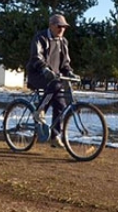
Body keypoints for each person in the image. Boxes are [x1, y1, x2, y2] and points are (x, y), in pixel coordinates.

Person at [25, 14, 77, 148]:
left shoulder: (63, 42)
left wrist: (69, 72)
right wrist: (44, 69)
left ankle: (54, 136)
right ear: (51, 26)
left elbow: (65, 63)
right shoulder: (40, 37)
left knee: (61, 104)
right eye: (59, 26)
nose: (62, 29)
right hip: (37, 74)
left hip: (54, 77)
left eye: (64, 27)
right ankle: (40, 111)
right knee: (55, 84)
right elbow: (36, 57)